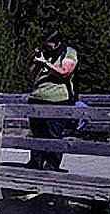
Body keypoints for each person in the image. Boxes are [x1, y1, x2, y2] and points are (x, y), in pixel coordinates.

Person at [25, 30, 78, 172]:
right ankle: (35, 162)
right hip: (37, 98)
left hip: (58, 100)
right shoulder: (44, 54)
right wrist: (37, 62)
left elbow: (64, 72)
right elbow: (30, 75)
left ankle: (52, 165)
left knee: (54, 134)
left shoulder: (68, 52)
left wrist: (46, 63)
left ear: (56, 43)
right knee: (37, 133)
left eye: (48, 44)